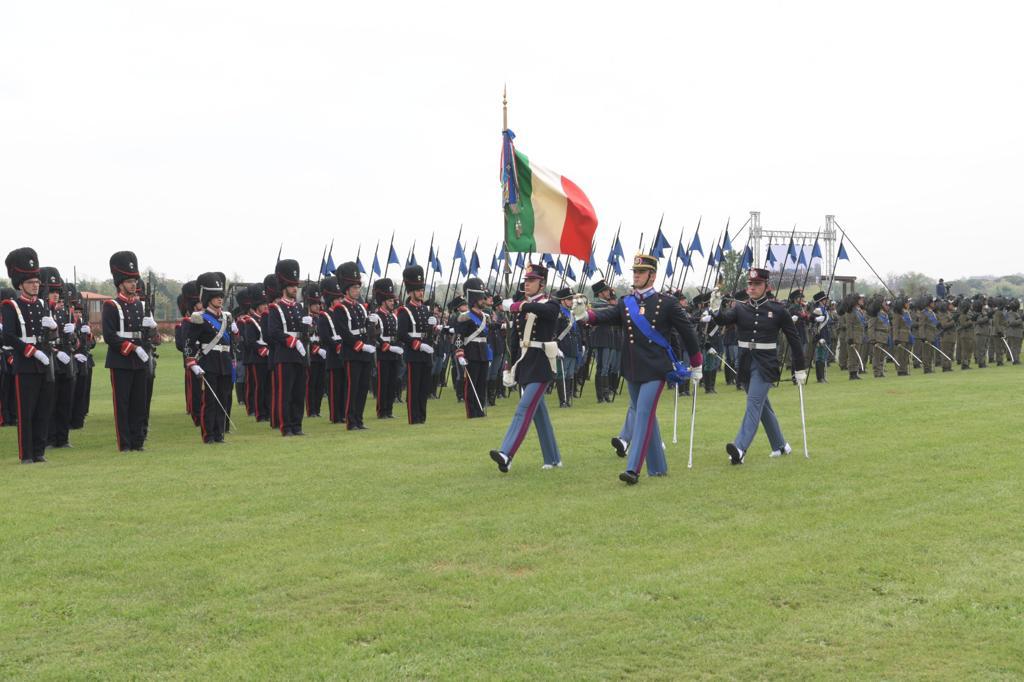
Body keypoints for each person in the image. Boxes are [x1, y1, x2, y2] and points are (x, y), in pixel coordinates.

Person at [580, 254, 702, 483]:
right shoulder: (627, 303)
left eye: (640, 272)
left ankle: (633, 468)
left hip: (656, 370)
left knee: (643, 414)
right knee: (647, 417)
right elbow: (607, 315)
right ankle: (658, 467)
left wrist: (696, 363)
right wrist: (586, 314)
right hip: (633, 368)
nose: (635, 275)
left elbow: (688, 332)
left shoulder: (667, 303)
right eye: (634, 271)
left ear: (652, 276)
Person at [704, 267, 806, 465]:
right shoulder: (741, 308)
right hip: (745, 363)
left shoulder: (778, 310)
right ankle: (780, 445)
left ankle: (740, 447)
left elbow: (794, 339)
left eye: (757, 284)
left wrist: (799, 368)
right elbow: (724, 319)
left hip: (765, 364)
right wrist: (716, 308)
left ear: (767, 286)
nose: (752, 287)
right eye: (750, 284)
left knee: (753, 404)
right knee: (762, 407)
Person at [489, 263, 563, 472]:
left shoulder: (551, 304)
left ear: (542, 283)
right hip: (525, 363)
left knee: (523, 408)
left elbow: (544, 311)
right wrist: (509, 366)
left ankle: (506, 453)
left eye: (532, 280)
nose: (527, 284)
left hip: (541, 365)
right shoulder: (522, 306)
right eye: (526, 280)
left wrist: (518, 305)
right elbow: (515, 339)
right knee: (540, 417)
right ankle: (553, 458)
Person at [2, 247, 54, 462]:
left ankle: (39, 451)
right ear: (20, 283)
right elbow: (9, 337)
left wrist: (54, 329)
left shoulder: (43, 305)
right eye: (31, 282)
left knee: (43, 409)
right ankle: (26, 454)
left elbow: (47, 336)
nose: (36, 285)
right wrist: (31, 351)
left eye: (36, 281)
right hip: (25, 362)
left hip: (43, 361)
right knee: (27, 411)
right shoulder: (11, 305)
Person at [102, 251, 155, 452]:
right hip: (121, 360)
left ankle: (137, 441)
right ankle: (125, 444)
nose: (134, 284)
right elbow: (110, 336)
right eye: (129, 281)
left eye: (134, 280)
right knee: (122, 404)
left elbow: (149, 336)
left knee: (139, 403)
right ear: (120, 283)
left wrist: (152, 329)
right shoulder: (111, 305)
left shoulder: (140, 306)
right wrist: (133, 348)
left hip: (140, 360)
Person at [185, 272, 236, 444]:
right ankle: (208, 434)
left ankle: (219, 433)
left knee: (223, 398)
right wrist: (191, 361)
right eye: (215, 297)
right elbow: (189, 342)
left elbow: (232, 343)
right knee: (210, 401)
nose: (219, 299)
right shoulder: (199, 318)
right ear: (208, 299)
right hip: (209, 362)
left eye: (221, 296)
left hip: (225, 362)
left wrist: (236, 332)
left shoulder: (227, 318)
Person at [266, 258, 307, 436]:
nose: (294, 288)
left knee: (299, 393)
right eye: (291, 285)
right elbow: (273, 332)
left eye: (295, 285)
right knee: (285, 394)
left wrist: (309, 328)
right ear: (284, 286)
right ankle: (286, 426)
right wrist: (292, 341)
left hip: (299, 354)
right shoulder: (275, 308)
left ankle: (297, 425)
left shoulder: (299, 308)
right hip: (284, 355)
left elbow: (302, 331)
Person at [40, 267, 79, 448]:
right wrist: (57, 353)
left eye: (57, 291)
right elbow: (40, 341)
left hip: (65, 362)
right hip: (49, 361)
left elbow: (75, 343)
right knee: (50, 402)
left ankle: (63, 438)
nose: (55, 295)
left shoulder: (64, 313)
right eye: (51, 291)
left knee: (65, 401)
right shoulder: (41, 313)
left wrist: (73, 337)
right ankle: (49, 438)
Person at [335, 261, 374, 430]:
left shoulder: (360, 307)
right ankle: (351, 420)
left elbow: (365, 329)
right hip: (352, 352)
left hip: (364, 351)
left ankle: (359, 418)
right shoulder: (340, 308)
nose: (358, 290)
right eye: (354, 287)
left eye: (358, 287)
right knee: (353, 387)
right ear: (347, 289)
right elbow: (344, 332)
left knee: (363, 387)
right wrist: (360, 345)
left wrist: (373, 330)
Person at [397, 265, 437, 425]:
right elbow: (402, 334)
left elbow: (427, 333)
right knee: (414, 388)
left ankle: (422, 416)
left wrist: (434, 327)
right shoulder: (404, 311)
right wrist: (418, 345)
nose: (421, 292)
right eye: (418, 290)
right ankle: (414, 418)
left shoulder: (425, 310)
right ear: (411, 291)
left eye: (422, 289)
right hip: (414, 353)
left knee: (424, 387)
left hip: (426, 353)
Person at [453, 277, 491, 418]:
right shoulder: (465, 317)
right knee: (471, 384)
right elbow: (459, 337)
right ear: (475, 298)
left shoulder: (485, 316)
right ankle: (472, 411)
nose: (484, 300)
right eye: (481, 298)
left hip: (483, 352)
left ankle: (480, 409)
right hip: (471, 353)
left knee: (482, 383)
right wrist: (460, 353)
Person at [369, 277, 403, 419]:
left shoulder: (392, 317)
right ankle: (382, 410)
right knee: (383, 383)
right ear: (383, 301)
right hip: (383, 353)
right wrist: (388, 347)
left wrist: (398, 346)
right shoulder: (376, 316)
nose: (392, 303)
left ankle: (389, 410)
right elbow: (376, 337)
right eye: (389, 301)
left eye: (392, 300)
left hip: (394, 352)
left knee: (392, 382)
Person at [302, 282, 326, 417]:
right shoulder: (306, 318)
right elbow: (306, 338)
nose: (319, 306)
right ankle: (311, 410)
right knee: (311, 384)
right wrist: (317, 350)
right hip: (312, 354)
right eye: (316, 303)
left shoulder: (320, 318)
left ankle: (317, 409)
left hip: (321, 354)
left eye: (319, 303)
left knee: (320, 384)